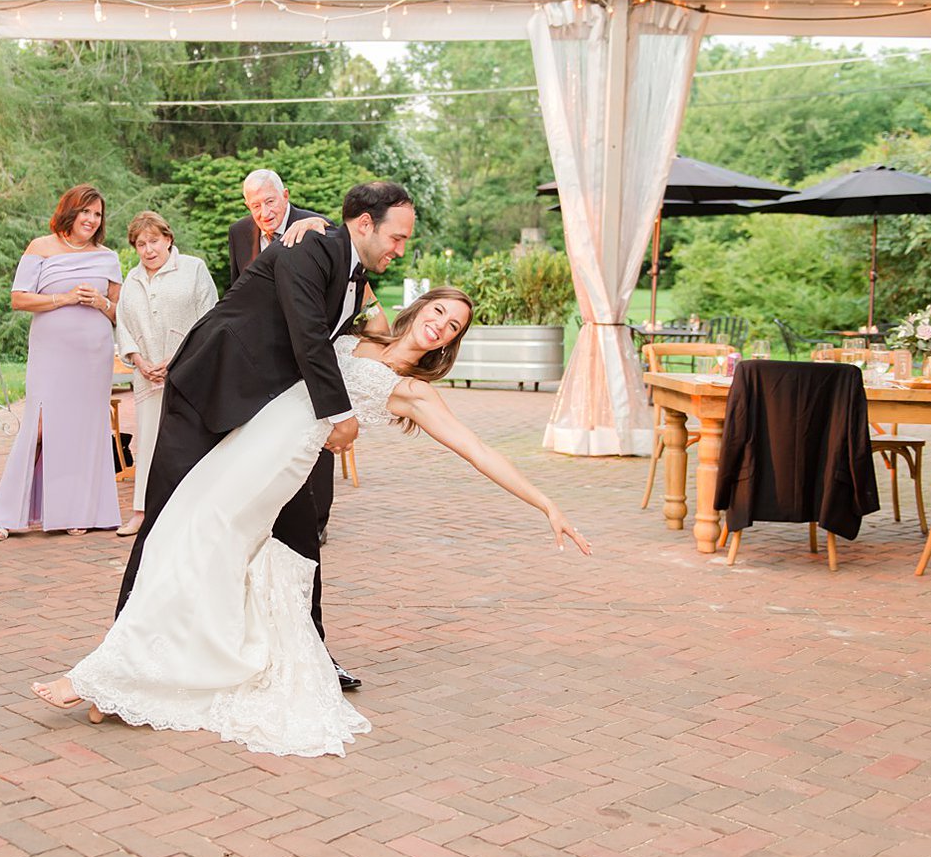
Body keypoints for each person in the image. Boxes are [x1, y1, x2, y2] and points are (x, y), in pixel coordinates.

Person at [31, 287, 592, 757]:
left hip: (282, 458)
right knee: (178, 535)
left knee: (198, 539)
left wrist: (546, 503)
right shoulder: (360, 335)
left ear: (452, 341)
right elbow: (345, 273)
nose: (441, 327)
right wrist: (305, 229)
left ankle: (99, 678)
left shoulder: (413, 392)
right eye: (439, 313)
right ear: (420, 308)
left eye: (453, 327)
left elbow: (477, 451)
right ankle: (126, 679)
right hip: (247, 438)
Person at [115, 180, 415, 695]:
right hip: (209, 394)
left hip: (271, 414)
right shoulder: (310, 246)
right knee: (165, 517)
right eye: (399, 237)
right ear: (366, 224)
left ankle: (312, 654)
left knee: (300, 532)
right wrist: (340, 415)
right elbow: (306, 337)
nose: (401, 248)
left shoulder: (347, 266)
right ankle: (121, 656)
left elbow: (343, 338)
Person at [230, 170, 387, 548]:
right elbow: (239, 288)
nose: (264, 212)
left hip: (309, 350)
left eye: (269, 202)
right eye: (255, 205)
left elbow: (346, 290)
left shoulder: (316, 226)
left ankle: (317, 519)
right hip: (261, 354)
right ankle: (272, 514)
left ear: (284, 195)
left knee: (315, 431)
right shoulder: (239, 233)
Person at [0, 184, 123, 539]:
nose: (91, 219)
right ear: (70, 211)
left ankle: (78, 511)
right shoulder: (40, 248)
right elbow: (18, 299)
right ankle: (7, 513)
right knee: (41, 426)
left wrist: (101, 304)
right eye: (86, 211)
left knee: (85, 429)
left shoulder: (107, 257)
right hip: (51, 353)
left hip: (94, 354)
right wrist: (64, 297)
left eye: (97, 214)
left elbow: (121, 312)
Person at [114, 211, 218, 537]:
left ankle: (193, 513)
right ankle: (142, 512)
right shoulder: (132, 279)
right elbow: (123, 325)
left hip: (188, 372)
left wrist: (177, 360)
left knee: (190, 442)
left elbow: (210, 318)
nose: (148, 249)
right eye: (141, 244)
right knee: (148, 443)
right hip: (147, 375)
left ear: (168, 239)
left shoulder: (193, 269)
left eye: (154, 241)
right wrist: (139, 361)